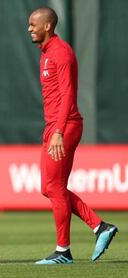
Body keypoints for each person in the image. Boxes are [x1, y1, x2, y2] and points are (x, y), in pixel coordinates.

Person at [27, 7, 117, 264]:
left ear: (48, 26)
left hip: (64, 127)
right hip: (54, 127)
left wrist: (58, 131)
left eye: (33, 24)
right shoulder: (45, 54)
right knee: (48, 188)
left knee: (54, 187)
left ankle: (63, 251)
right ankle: (100, 227)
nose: (29, 29)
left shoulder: (61, 53)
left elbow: (68, 95)